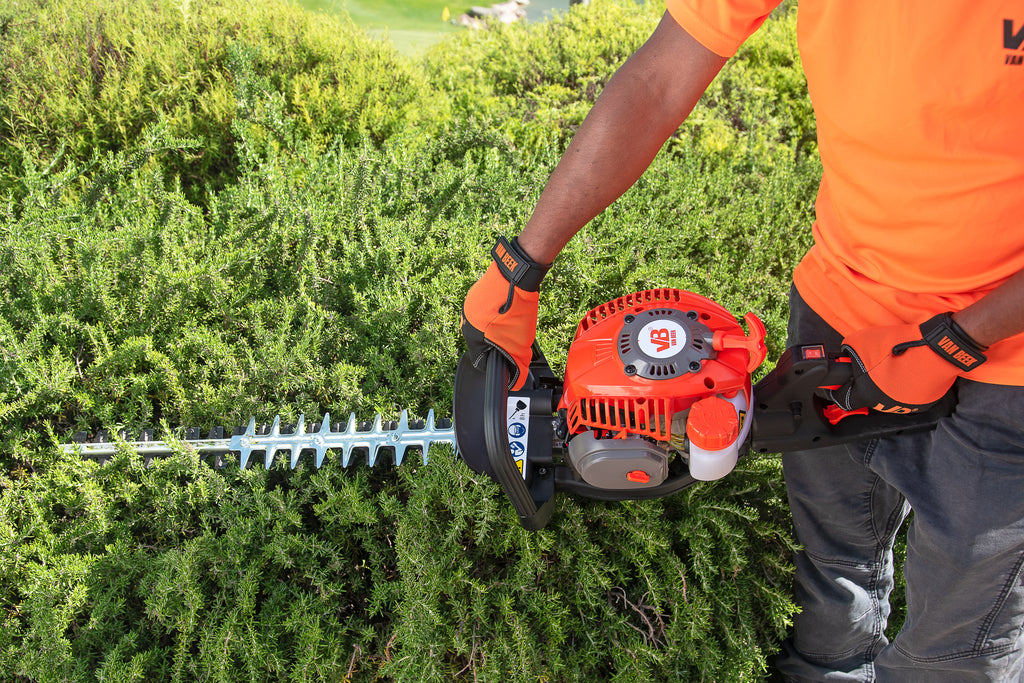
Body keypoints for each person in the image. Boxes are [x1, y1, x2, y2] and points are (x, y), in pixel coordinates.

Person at [460, 1, 1024, 680]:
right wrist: (522, 266)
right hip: (839, 308)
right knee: (834, 567)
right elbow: (661, 77)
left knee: (954, 650)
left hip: (1008, 371)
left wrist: (958, 341)